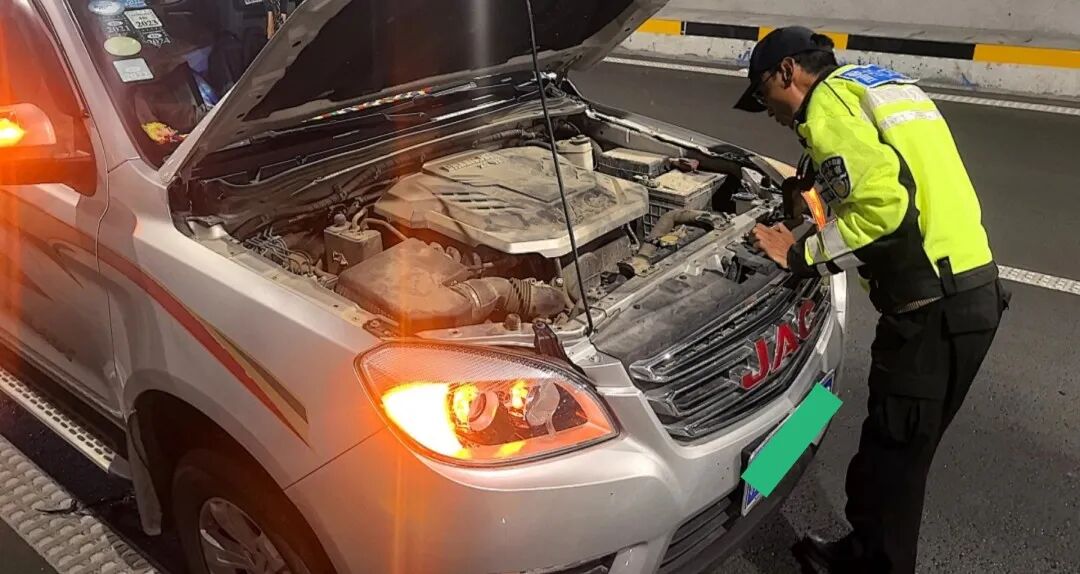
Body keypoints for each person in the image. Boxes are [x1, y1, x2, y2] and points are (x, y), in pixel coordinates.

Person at [736, 27, 1009, 573]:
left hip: (931, 311)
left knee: (891, 464)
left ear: (788, 72)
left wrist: (798, 253)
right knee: (897, 455)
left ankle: (872, 565)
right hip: (971, 292)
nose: (768, 112)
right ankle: (864, 554)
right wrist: (812, 194)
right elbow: (887, 172)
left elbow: (884, 210)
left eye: (764, 95)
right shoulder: (878, 85)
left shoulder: (826, 110)